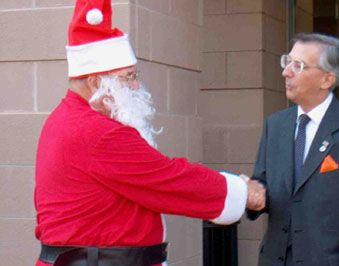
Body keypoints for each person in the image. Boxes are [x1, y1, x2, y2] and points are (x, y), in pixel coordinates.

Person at [34, 1, 265, 265]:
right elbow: (169, 179)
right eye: (128, 77)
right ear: (96, 82)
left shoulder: (63, 119)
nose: (136, 85)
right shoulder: (98, 132)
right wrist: (242, 191)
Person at [247, 32, 339, 266]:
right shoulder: (276, 124)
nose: (286, 71)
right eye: (287, 61)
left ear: (327, 79)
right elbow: (262, 184)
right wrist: (250, 194)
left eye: (298, 65)